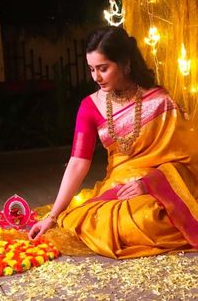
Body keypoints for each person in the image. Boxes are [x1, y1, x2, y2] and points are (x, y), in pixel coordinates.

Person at [29, 26, 198, 259]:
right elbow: (78, 162)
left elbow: (186, 160)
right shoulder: (90, 106)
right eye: (91, 69)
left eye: (103, 69)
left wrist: (149, 184)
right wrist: (53, 215)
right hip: (119, 185)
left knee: (150, 216)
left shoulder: (160, 100)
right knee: (96, 219)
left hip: (157, 184)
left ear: (125, 64)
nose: (96, 77)